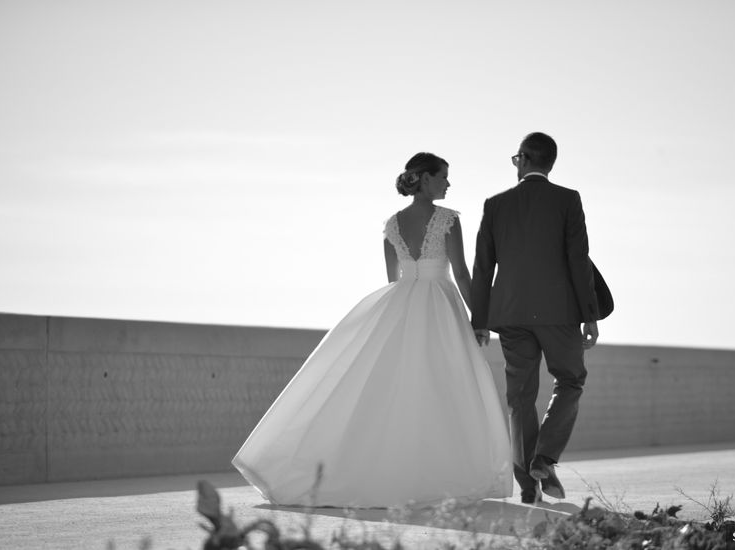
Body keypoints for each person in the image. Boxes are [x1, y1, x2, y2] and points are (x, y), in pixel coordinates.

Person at [232, 152, 512, 508]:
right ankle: (433, 476)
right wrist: (480, 320)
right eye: (443, 176)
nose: (448, 183)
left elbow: (392, 278)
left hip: (401, 308)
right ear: (424, 179)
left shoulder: (392, 225)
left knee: (395, 391)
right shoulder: (448, 220)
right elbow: (462, 274)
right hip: (440, 308)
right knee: (443, 388)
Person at [470, 132, 599, 505]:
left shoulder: (495, 204)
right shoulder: (567, 200)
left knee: (520, 398)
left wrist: (480, 318)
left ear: (524, 159)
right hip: (559, 313)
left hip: (510, 314)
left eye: (515, 159)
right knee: (571, 379)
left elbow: (483, 266)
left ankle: (529, 488)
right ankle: (544, 457)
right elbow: (579, 259)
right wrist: (589, 314)